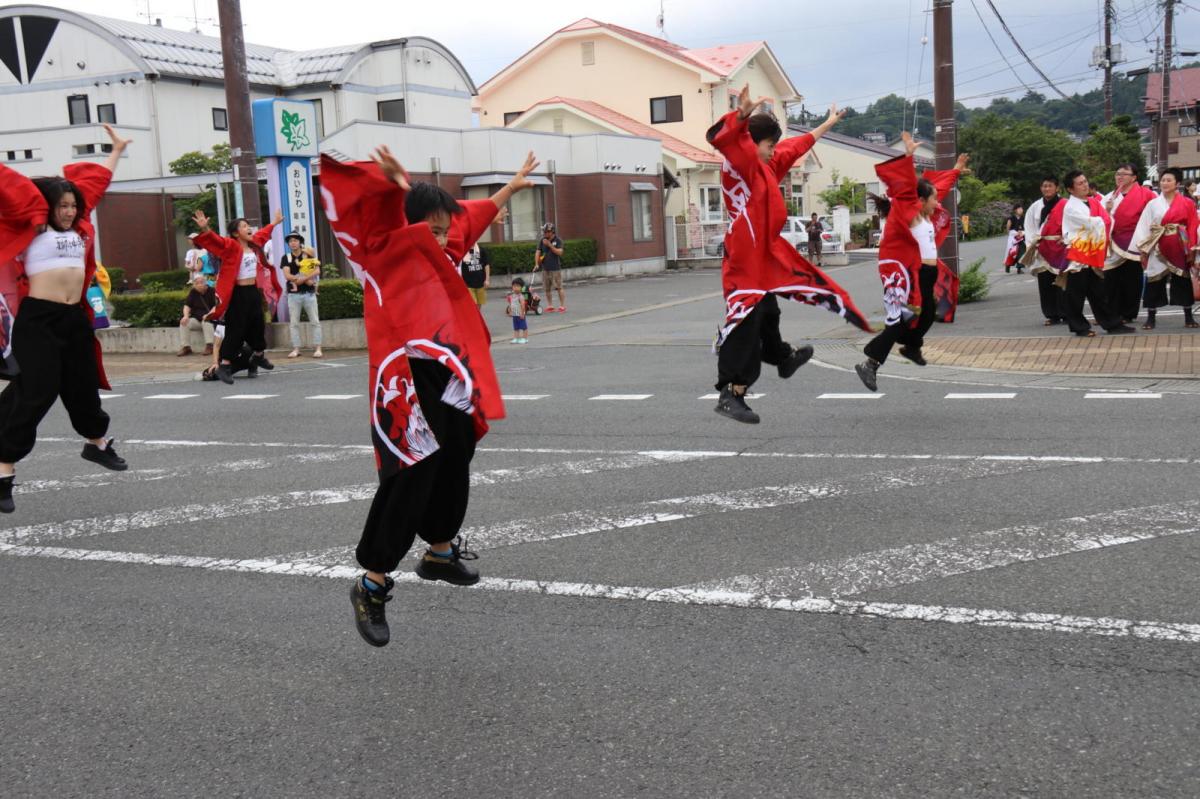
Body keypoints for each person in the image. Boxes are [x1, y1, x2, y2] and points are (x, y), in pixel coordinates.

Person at [321, 145, 539, 648]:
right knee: (413, 472)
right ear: (408, 225)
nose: (442, 239)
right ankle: (372, 582)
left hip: (447, 377)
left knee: (457, 455)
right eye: (432, 230)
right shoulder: (382, 251)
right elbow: (378, 218)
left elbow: (468, 222)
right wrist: (395, 185)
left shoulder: (442, 250)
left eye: (443, 231)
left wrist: (509, 185)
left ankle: (439, 551)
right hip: (403, 382)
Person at [705, 84, 871, 423]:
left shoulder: (766, 166)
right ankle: (731, 393)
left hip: (763, 255)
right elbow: (727, 142)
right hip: (744, 257)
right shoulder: (742, 164)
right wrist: (740, 116)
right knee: (747, 323)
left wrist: (826, 125)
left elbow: (795, 148)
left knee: (769, 311)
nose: (772, 152)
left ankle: (781, 357)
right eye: (768, 145)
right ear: (753, 144)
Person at [0, 124, 131, 513]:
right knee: (37, 392)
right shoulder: (31, 224)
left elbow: (95, 186)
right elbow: (7, 184)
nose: (70, 210)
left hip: (73, 318)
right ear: (47, 206)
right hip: (37, 320)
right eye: (63, 206)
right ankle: (4, 470)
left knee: (81, 384)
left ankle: (97, 443)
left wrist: (116, 151)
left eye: (73, 205)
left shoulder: (81, 225)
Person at [855, 133, 967, 391]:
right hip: (904, 273)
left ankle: (911, 347)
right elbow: (906, 187)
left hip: (923, 273)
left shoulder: (929, 213)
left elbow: (940, 186)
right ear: (921, 200)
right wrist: (907, 156)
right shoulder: (906, 212)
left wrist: (956, 170)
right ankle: (870, 362)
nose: (938, 201)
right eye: (933, 198)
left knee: (927, 314)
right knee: (901, 319)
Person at [192, 208, 283, 384]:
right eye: (244, 226)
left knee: (258, 324)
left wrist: (274, 223)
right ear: (235, 233)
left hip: (253, 292)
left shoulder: (254, 243)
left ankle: (258, 355)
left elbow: (263, 233)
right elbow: (217, 241)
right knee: (236, 329)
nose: (249, 228)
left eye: (248, 225)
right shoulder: (231, 246)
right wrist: (205, 229)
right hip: (238, 294)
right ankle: (224, 365)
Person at [1059, 170, 1133, 338]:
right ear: (1071, 189)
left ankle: (1111, 323)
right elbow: (1093, 222)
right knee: (1076, 294)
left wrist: (1105, 214)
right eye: (1080, 183)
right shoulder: (1071, 207)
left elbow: (1106, 219)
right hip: (1078, 254)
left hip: (1092, 251)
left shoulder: (1093, 202)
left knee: (1099, 292)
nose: (1085, 185)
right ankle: (1079, 327)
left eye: (1085, 181)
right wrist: (1103, 216)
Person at [1133, 166, 1199, 329]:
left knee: (1183, 281)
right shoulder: (1153, 204)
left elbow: (1193, 225)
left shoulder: (1188, 203)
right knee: (1154, 280)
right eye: (1163, 180)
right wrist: (1143, 248)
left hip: (1180, 245)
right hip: (1158, 246)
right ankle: (1151, 317)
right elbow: (1144, 225)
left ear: (1177, 183)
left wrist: (1192, 247)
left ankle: (1188, 316)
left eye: (1169, 180)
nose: (1165, 183)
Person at [1102, 163, 1154, 324]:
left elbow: (1155, 216)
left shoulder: (1147, 195)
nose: (1120, 177)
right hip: (1114, 242)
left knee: (1131, 279)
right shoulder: (1109, 197)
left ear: (1134, 177)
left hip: (1135, 241)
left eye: (1124, 174)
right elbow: (1100, 219)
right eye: (1118, 173)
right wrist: (1108, 210)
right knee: (1111, 279)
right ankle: (1112, 311)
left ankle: (1128, 313)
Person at [1021, 177, 1068, 326]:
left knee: (1063, 281)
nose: (1047, 189)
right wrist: (1032, 244)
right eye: (1044, 186)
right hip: (1042, 248)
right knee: (1045, 282)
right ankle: (1051, 314)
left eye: (1050, 186)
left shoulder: (1065, 205)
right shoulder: (1035, 207)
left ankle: (1066, 312)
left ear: (1057, 188)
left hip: (1061, 247)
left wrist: (1067, 238)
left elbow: (1071, 224)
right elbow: (1029, 227)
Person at [280, 232, 323, 359]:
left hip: (309, 293)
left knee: (315, 321)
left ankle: (318, 348)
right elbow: (287, 275)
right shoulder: (286, 257)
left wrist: (303, 279)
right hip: (293, 295)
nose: (292, 243)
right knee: (294, 323)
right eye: (290, 241)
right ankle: (296, 349)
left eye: (295, 240)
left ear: (300, 242)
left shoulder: (308, 255)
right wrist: (302, 279)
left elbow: (317, 270)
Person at [177, 272, 217, 356]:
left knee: (207, 320)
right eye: (196, 283)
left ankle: (210, 346)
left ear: (205, 282)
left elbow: (216, 306)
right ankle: (186, 347)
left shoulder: (212, 291)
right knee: (184, 322)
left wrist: (209, 314)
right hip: (197, 319)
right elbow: (187, 306)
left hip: (209, 319)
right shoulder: (193, 292)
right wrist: (186, 316)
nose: (199, 285)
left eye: (201, 282)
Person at [535, 222, 566, 312]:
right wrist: (537, 263)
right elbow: (538, 252)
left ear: (551, 232)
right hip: (545, 268)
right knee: (547, 288)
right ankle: (550, 305)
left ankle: (562, 305)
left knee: (559, 287)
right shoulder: (542, 240)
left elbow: (560, 252)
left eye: (546, 232)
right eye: (544, 232)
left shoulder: (558, 240)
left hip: (555, 268)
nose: (544, 234)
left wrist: (549, 245)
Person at [460, 242, 491, 307]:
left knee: (479, 304)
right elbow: (459, 267)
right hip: (468, 284)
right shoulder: (462, 251)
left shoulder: (481, 250)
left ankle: (477, 317)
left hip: (480, 283)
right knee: (474, 304)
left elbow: (486, 265)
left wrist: (487, 280)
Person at [1003, 204, 1025, 273]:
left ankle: (1019, 268)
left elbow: (1025, 227)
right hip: (1013, 238)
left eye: (1021, 209)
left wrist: (1022, 233)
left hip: (1021, 237)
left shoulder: (1023, 218)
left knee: (1021, 252)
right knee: (1012, 252)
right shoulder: (1011, 218)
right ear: (1015, 210)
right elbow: (1008, 229)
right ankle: (1008, 265)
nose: (1021, 210)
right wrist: (1015, 233)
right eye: (1019, 209)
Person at [506, 277, 529, 343]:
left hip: (520, 314)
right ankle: (516, 338)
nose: (516, 288)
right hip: (514, 314)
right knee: (516, 327)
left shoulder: (521, 296)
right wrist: (510, 311)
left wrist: (522, 313)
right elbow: (511, 304)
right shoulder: (512, 296)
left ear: (521, 287)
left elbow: (522, 305)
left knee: (523, 326)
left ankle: (525, 338)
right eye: (514, 286)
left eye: (518, 286)